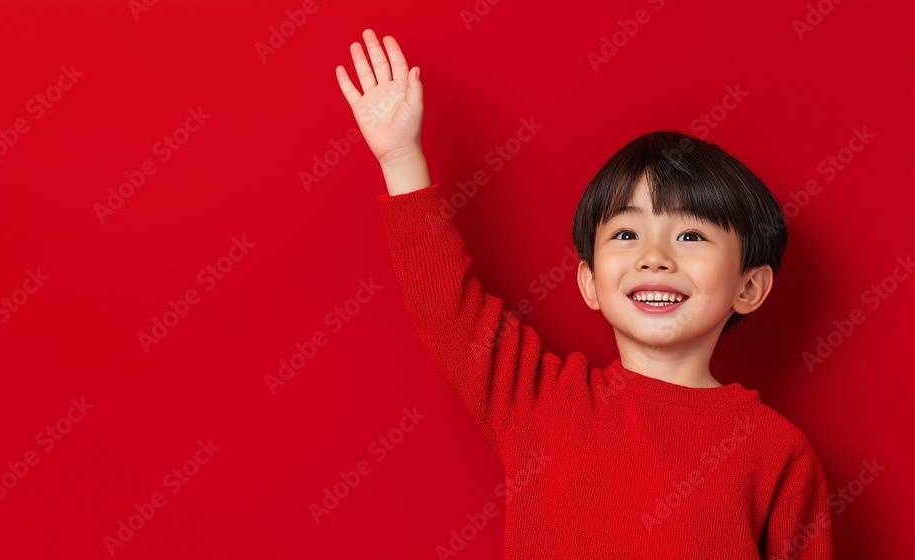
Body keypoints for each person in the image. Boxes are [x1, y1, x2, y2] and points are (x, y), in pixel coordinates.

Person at [335, 28, 832, 559]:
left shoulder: (776, 450)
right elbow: (448, 310)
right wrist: (400, 159)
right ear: (590, 282)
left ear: (749, 286)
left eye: (691, 235)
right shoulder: (540, 402)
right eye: (626, 234)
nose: (654, 255)